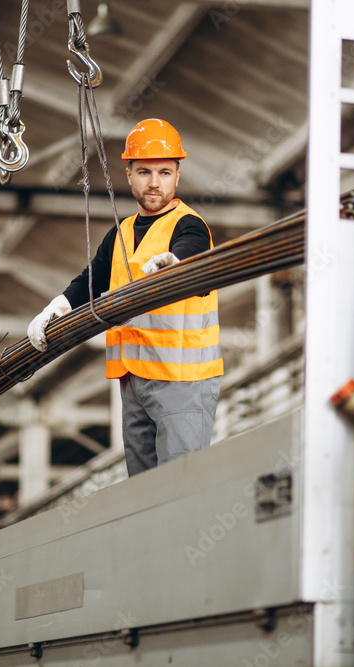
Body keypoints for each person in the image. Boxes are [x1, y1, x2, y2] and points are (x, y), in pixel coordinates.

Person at [27, 118, 223, 476]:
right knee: (143, 493)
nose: (154, 182)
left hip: (182, 381)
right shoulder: (120, 234)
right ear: (129, 174)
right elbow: (91, 280)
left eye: (164, 172)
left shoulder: (188, 225)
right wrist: (57, 308)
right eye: (144, 171)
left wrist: (176, 265)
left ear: (177, 176)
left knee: (179, 485)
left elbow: (192, 252)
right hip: (133, 383)